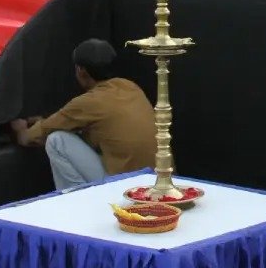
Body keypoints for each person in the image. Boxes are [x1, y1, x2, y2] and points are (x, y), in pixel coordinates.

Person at [9, 39, 156, 191]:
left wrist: (20, 130)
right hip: (158, 181)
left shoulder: (88, 102)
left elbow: (33, 136)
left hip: (126, 189)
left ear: (81, 71)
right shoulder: (131, 87)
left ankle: (77, 201)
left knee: (56, 140)